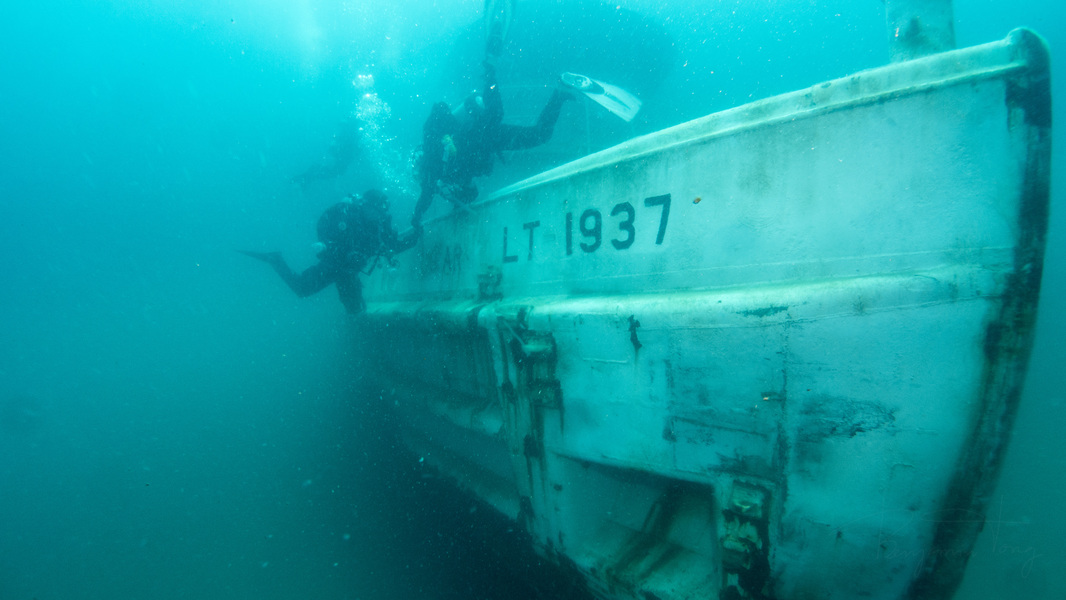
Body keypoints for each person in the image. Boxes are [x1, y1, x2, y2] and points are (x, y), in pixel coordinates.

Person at [410, 63, 573, 226]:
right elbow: (471, 192)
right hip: (488, 140)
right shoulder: (447, 175)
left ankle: (491, 73)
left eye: (419, 175)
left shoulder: (432, 158)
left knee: (503, 117)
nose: (423, 180)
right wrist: (456, 200)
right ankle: (559, 94)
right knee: (539, 135)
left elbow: (426, 195)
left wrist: (416, 219)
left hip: (482, 134)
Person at [241, 189, 419, 314]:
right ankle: (275, 260)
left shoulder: (380, 224)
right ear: (365, 205)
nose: (377, 216)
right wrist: (346, 254)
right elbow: (325, 245)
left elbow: (392, 246)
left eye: (380, 212)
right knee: (301, 289)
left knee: (355, 309)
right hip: (335, 265)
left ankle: (356, 321)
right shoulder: (348, 217)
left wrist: (415, 237)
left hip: (349, 271)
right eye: (374, 211)